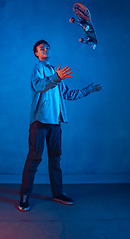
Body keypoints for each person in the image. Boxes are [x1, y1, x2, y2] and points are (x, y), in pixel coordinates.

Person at [18, 39, 101, 211]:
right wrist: (56, 77)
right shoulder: (38, 69)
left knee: (55, 159)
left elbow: (68, 94)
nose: (45, 50)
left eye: (47, 47)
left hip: (55, 123)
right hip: (40, 122)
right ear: (36, 53)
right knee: (34, 158)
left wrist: (87, 90)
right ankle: (25, 195)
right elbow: (40, 86)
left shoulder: (56, 72)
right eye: (42, 48)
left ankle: (58, 193)